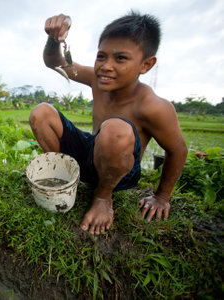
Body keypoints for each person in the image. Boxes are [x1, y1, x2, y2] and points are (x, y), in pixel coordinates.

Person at [29, 11, 187, 236]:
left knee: (115, 129)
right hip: (91, 155)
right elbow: (55, 62)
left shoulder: (153, 106)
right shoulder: (96, 78)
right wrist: (54, 38)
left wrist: (162, 197)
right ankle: (66, 177)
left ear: (146, 65)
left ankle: (103, 197)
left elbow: (177, 150)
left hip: (119, 173)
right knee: (41, 113)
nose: (106, 66)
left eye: (120, 58)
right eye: (101, 56)